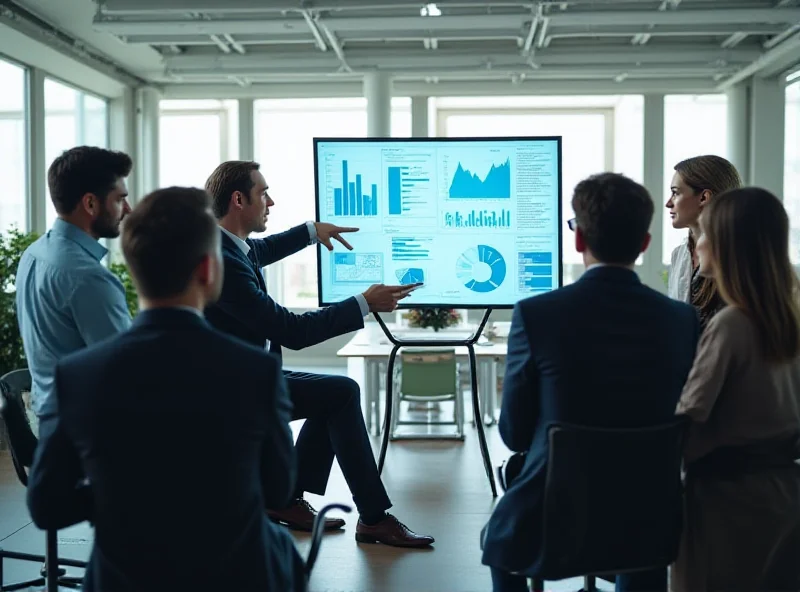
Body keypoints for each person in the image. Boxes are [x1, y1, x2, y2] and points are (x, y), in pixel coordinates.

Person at [26, 187, 308, 592]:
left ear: (136, 270)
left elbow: (47, 505)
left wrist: (123, 495)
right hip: (236, 575)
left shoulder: (79, 374)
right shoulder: (254, 370)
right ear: (209, 270)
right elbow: (278, 486)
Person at [481, 173, 700, 592]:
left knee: (500, 540)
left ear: (579, 239)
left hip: (555, 513)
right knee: (643, 544)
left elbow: (512, 434)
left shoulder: (537, 314)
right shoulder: (680, 320)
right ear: (645, 243)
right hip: (647, 516)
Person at [203, 161, 433, 548]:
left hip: (247, 377)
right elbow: (292, 332)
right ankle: (372, 519)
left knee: (338, 394)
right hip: (235, 390)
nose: (270, 201)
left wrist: (312, 231)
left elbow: (263, 248)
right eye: (263, 193)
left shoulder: (227, 245)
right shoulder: (224, 260)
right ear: (238, 199)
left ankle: (285, 499)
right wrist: (364, 303)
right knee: (339, 394)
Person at [672, 187, 800, 591]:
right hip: (783, 499)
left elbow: (688, 422)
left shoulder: (730, 326)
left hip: (723, 507)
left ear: (726, 245)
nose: (699, 244)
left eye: (704, 234)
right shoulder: (790, 322)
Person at [15, 146, 133, 423]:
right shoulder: (88, 278)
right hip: (88, 432)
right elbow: (128, 372)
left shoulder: (33, 254)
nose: (127, 209)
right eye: (120, 199)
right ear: (90, 203)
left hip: (51, 420)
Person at [665, 155, 742, 329]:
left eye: (676, 193)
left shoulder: (737, 259)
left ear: (703, 197)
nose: (668, 203)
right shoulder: (679, 255)